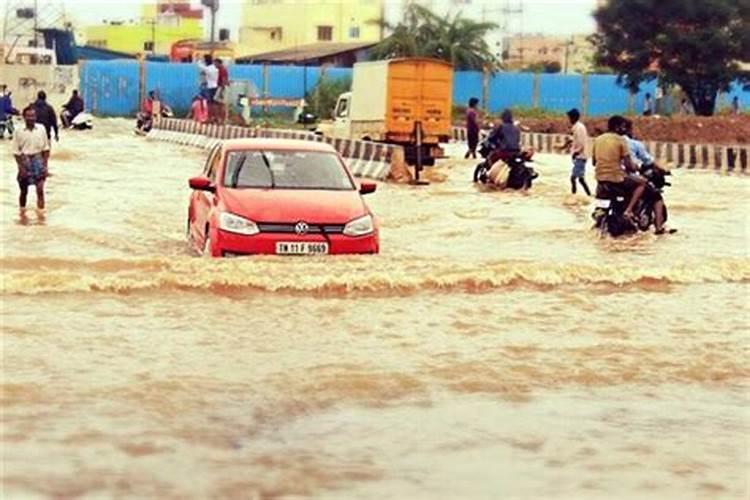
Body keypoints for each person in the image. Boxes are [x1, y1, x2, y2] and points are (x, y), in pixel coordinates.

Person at [621, 119, 675, 234]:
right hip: (629, 178)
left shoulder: (609, 141)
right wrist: (664, 170)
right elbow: (649, 161)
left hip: (610, 178)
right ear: (629, 129)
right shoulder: (634, 144)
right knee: (656, 196)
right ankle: (659, 228)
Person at [592, 115, 645, 222]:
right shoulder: (621, 140)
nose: (624, 130)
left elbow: (594, 162)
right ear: (617, 127)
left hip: (600, 179)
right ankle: (629, 210)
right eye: (623, 127)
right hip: (616, 179)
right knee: (642, 183)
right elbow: (629, 165)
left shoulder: (598, 139)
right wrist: (637, 168)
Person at [12, 106, 50, 210]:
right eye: (28, 116)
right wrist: (21, 168)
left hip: (38, 159)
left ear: (36, 117)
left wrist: (45, 166)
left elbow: (46, 149)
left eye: (33, 116)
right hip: (25, 160)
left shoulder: (41, 129)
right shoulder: (18, 131)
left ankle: (41, 216)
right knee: (24, 191)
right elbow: (16, 152)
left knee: (40, 190)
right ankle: (22, 213)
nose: (31, 118)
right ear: (24, 117)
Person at [566, 108, 591, 196]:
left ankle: (573, 195)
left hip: (581, 156)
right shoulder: (577, 127)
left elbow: (581, 143)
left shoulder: (579, 128)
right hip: (580, 156)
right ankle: (588, 194)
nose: (568, 120)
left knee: (573, 178)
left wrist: (575, 153)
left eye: (568, 118)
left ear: (572, 118)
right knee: (580, 178)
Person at [198, 54, 219, 122]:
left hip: (210, 87)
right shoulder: (214, 68)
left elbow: (199, 65)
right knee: (214, 103)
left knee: (209, 104)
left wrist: (199, 59)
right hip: (215, 86)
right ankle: (215, 117)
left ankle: (210, 118)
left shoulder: (208, 69)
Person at [215, 58, 230, 124]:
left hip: (222, 87)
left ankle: (223, 119)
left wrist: (222, 91)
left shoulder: (222, 70)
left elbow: (224, 80)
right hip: (221, 87)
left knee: (222, 104)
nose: (214, 65)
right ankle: (221, 119)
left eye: (215, 63)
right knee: (219, 103)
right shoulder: (221, 70)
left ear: (218, 63)